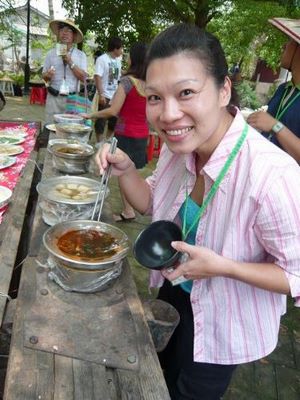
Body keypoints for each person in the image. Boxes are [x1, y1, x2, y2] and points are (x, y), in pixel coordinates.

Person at [95, 23, 300, 399]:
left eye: (186, 92)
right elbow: (152, 203)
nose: (169, 115)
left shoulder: (273, 176)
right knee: (155, 381)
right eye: (155, 97)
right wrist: (126, 169)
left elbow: (296, 273)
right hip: (175, 292)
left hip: (224, 317)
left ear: (223, 89)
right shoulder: (180, 150)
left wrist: (224, 266)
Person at [83, 42, 149, 221]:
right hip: (142, 134)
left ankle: (128, 211)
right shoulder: (150, 83)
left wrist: (92, 115)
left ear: (133, 58)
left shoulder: (128, 82)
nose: (125, 56)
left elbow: (113, 110)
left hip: (125, 134)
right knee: (132, 172)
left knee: (121, 173)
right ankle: (131, 209)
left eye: (128, 54)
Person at [247, 18, 300, 162]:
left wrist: (275, 126)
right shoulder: (283, 89)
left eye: (290, 41)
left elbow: (272, 125)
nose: (284, 46)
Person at [42, 19, 88, 124]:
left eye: (69, 30)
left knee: (69, 132)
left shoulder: (81, 55)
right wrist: (48, 76)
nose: (65, 33)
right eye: (62, 29)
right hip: (53, 98)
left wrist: (70, 62)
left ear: (74, 36)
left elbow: (84, 78)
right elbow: (44, 79)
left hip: (72, 99)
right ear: (58, 34)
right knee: (51, 129)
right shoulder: (51, 54)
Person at [93, 37, 123, 142]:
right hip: (105, 95)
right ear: (115, 48)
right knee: (101, 120)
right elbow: (97, 77)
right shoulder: (102, 59)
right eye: (121, 48)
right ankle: (99, 142)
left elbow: (118, 78)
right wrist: (101, 94)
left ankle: (108, 140)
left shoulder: (118, 61)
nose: (122, 50)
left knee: (113, 120)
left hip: (114, 96)